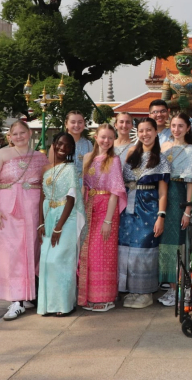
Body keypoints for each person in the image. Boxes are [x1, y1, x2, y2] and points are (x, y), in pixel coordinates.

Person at [0, 121, 48, 320]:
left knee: (32, 250)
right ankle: (16, 299)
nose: (20, 136)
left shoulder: (40, 157)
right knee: (12, 252)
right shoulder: (1, 155)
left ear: (30, 133)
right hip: (7, 210)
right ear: (9, 137)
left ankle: (28, 294)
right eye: (15, 133)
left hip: (32, 208)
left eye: (23, 132)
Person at [119, 118, 170, 309]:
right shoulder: (131, 154)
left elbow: (163, 192)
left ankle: (146, 292)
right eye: (141, 131)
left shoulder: (161, 158)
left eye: (149, 130)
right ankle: (132, 290)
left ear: (156, 132)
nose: (145, 134)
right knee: (127, 249)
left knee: (144, 249)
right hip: (128, 207)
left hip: (148, 209)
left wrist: (161, 216)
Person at [79, 124, 127, 312]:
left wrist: (108, 220)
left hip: (107, 207)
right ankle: (90, 297)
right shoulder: (87, 158)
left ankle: (105, 298)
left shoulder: (113, 160)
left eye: (109, 138)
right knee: (89, 253)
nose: (106, 141)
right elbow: (83, 185)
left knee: (103, 251)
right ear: (95, 137)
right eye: (103, 137)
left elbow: (116, 191)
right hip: (90, 206)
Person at [37, 132, 85, 316]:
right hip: (49, 217)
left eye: (67, 146)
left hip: (67, 218)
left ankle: (65, 305)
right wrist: (41, 224)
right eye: (59, 144)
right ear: (54, 144)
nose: (63, 148)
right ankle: (48, 306)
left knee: (61, 261)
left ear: (71, 149)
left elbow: (71, 199)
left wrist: (59, 227)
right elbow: (42, 197)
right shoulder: (45, 169)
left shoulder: (70, 168)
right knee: (47, 262)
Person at [158, 113, 192, 306]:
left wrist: (187, 210)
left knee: (178, 242)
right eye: (173, 125)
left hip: (179, 194)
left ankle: (180, 289)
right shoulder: (164, 146)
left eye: (181, 126)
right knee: (165, 242)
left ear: (187, 128)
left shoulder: (190, 149)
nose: (176, 130)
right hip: (163, 192)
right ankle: (171, 288)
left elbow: (190, 181)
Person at [64, 110, 93, 187]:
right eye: (73, 122)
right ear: (66, 124)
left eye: (80, 122)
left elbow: (92, 168)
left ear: (84, 124)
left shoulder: (88, 144)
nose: (76, 125)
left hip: (83, 186)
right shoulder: (58, 144)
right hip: (63, 186)